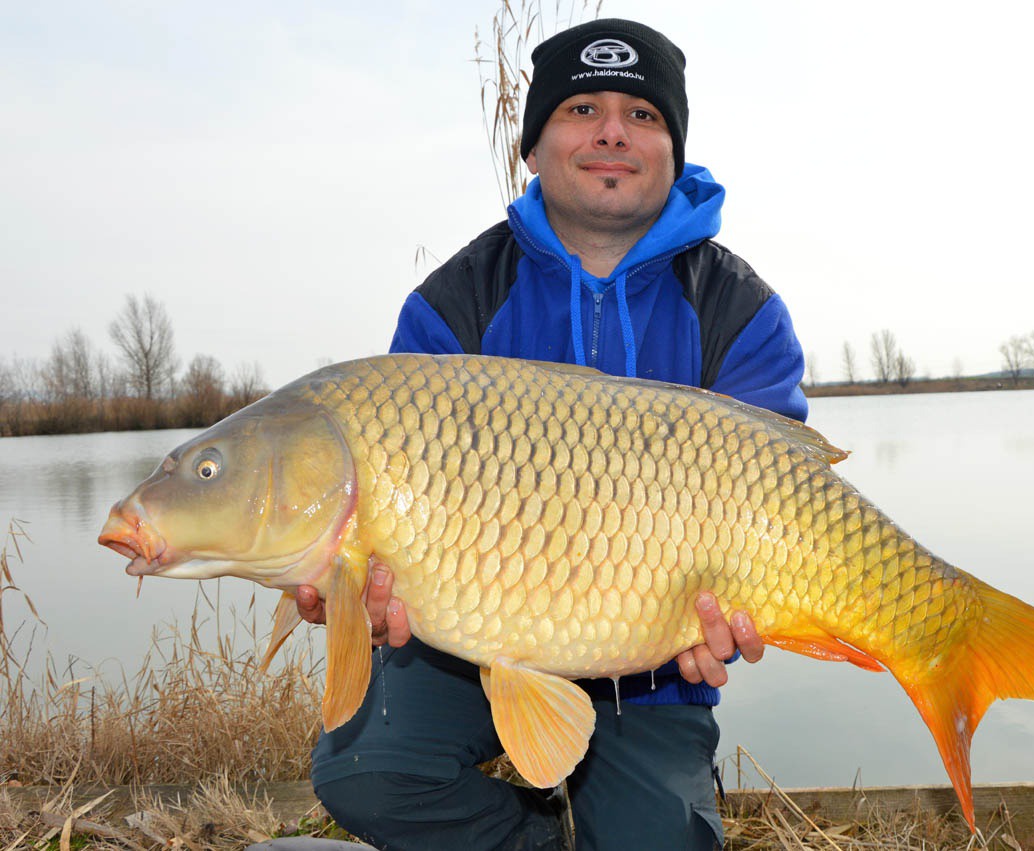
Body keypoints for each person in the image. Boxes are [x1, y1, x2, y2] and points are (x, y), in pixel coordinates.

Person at [296, 18, 807, 851]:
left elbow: (781, 505)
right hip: (465, 656)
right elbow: (375, 541)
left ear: (672, 150)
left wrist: (740, 618)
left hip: (655, 676)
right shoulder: (451, 304)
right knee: (365, 768)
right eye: (580, 107)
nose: (612, 130)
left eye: (642, 115)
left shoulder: (739, 311)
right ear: (534, 146)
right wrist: (353, 590)